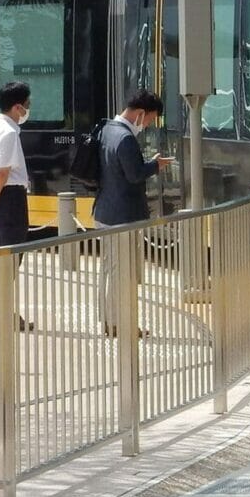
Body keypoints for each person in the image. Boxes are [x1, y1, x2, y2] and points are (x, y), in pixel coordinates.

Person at [94, 89, 166, 337]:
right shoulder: (125, 138)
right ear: (140, 113)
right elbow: (134, 174)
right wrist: (155, 165)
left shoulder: (107, 130)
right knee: (121, 273)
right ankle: (119, 325)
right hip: (122, 216)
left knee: (109, 270)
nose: (147, 125)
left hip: (105, 210)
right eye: (150, 119)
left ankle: (108, 320)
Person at [0, 80, 35, 332]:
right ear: (17, 107)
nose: (28, 109)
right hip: (10, 198)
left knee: (1, 256)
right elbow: (3, 172)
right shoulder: (10, 133)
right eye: (27, 104)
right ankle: (2, 314)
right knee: (10, 259)